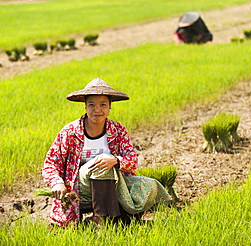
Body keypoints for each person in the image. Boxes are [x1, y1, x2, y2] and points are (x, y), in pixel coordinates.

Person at [42, 77, 172, 227]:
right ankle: (100, 219)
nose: (97, 110)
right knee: (103, 160)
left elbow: (132, 160)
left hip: (113, 185)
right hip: (80, 188)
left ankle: (124, 219)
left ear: (110, 107)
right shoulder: (70, 132)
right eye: (92, 105)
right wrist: (57, 183)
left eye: (103, 104)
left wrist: (116, 161)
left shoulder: (118, 130)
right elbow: (51, 163)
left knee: (149, 184)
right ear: (85, 107)